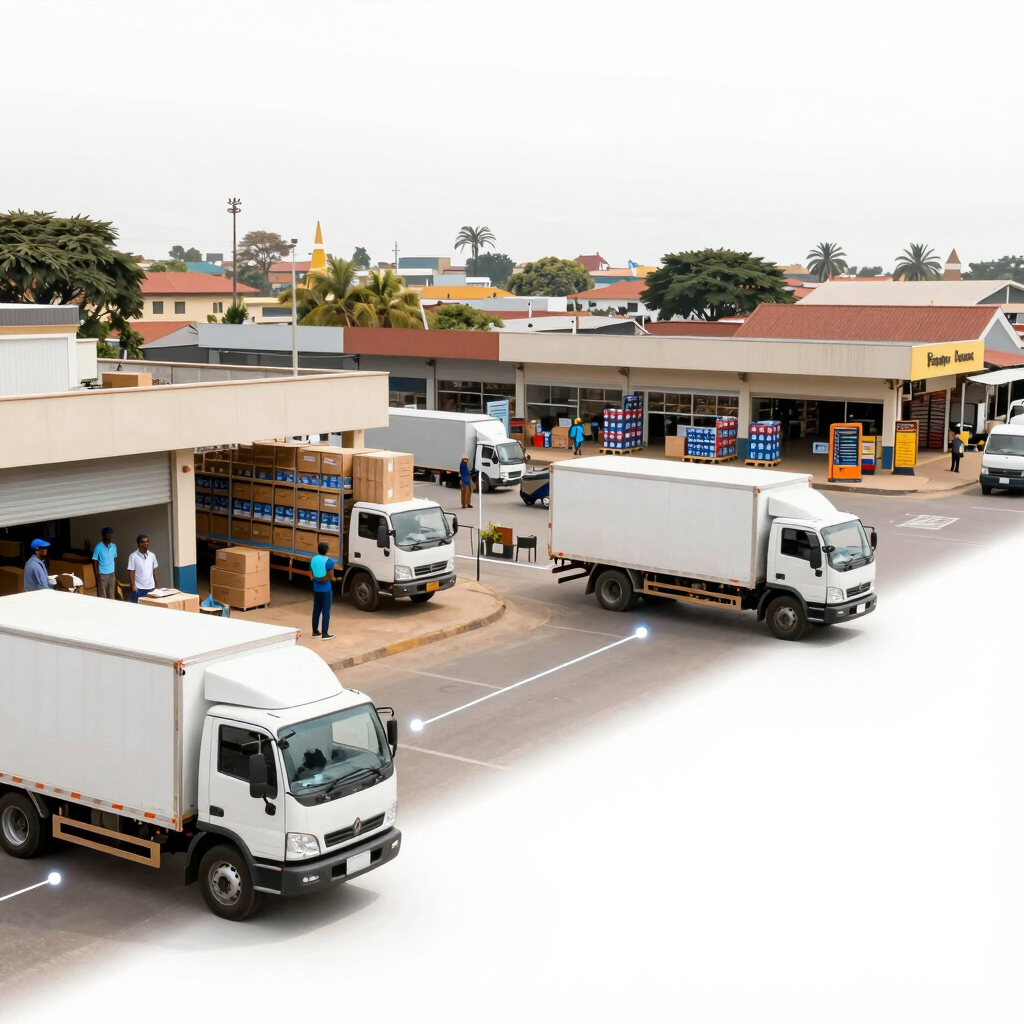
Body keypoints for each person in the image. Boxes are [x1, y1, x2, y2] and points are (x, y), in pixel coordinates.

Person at [310, 541, 335, 640]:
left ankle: (315, 632)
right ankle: (325, 634)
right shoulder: (329, 561)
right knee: (326, 612)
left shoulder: (313, 559)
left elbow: (312, 574)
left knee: (316, 610)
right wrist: (335, 579)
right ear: (326, 550)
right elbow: (331, 576)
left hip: (316, 589)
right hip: (326, 590)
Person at [127, 534, 159, 603]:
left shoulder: (152, 555)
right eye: (142, 542)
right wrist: (133, 586)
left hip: (151, 588)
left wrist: (157, 586)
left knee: (150, 607)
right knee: (136, 607)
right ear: (138, 544)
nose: (145, 544)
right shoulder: (133, 556)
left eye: (147, 542)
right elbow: (131, 572)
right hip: (138, 588)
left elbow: (154, 570)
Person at [91, 527, 117, 599]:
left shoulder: (113, 546)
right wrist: (97, 575)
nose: (109, 536)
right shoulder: (98, 547)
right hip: (102, 574)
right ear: (104, 535)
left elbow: (113, 559)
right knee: (103, 596)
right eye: (108, 535)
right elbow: (95, 560)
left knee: (112, 594)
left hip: (111, 574)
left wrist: (115, 573)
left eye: (110, 535)